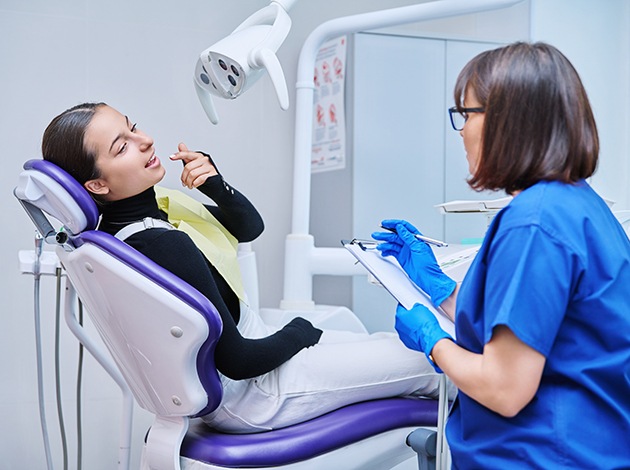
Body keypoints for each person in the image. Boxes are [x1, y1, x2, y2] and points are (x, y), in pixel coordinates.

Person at [41, 102, 452, 434]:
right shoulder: (161, 243)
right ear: (96, 185)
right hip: (255, 391)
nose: (145, 141)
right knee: (437, 365)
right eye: (123, 146)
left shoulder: (140, 223)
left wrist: (214, 182)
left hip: (244, 371)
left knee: (394, 344)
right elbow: (238, 361)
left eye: (134, 127)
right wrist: (299, 330)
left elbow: (248, 228)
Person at [373, 42, 630, 468]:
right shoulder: (578, 206)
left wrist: (431, 340)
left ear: (508, 121)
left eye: (466, 114)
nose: (461, 130)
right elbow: (531, 329)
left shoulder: (534, 222)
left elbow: (505, 387)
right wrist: (438, 290)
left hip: (543, 456)